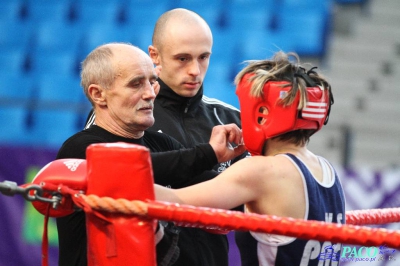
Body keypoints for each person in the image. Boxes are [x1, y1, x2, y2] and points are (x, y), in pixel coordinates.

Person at [84, 8, 251, 266]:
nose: (195, 70)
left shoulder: (232, 119)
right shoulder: (125, 118)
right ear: (155, 56)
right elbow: (109, 187)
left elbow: (252, 201)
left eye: (203, 57)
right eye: (182, 58)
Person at [155, 51, 345, 266]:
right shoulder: (326, 169)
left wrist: (121, 175)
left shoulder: (263, 171)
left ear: (262, 113)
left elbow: (176, 202)